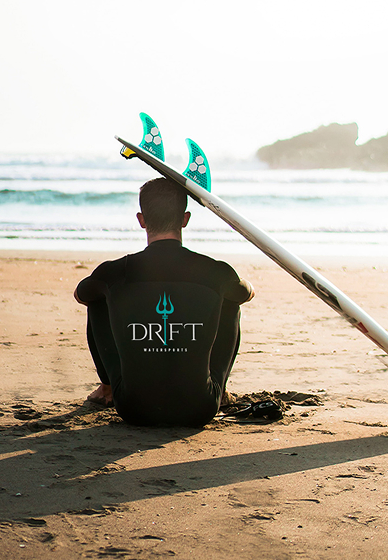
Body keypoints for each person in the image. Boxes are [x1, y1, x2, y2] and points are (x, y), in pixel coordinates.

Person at [74, 176, 254, 426]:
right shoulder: (215, 271)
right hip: (200, 407)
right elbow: (245, 293)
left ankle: (108, 389)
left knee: (99, 296)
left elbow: (81, 294)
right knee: (229, 300)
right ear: (185, 219)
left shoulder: (116, 271)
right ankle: (219, 390)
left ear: (141, 220)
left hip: (134, 408)